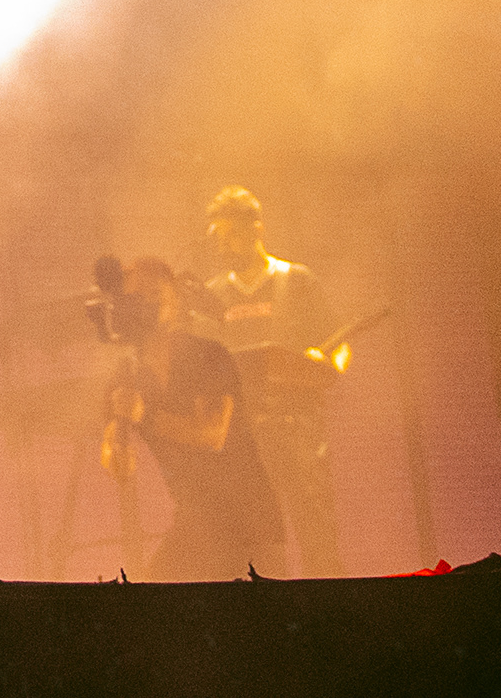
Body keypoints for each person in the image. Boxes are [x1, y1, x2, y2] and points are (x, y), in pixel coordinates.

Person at [93, 254, 288, 580]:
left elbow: (212, 434)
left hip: (250, 523)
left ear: (173, 303)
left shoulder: (207, 355)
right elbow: (119, 463)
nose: (144, 304)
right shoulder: (125, 375)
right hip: (197, 521)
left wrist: (144, 415)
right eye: (135, 297)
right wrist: (117, 448)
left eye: (153, 294)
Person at [198, 186, 345, 576]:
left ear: (256, 228)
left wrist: (326, 365)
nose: (224, 245)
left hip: (299, 433)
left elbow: (340, 344)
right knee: (259, 544)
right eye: (218, 237)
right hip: (244, 438)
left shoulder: (297, 280)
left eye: (231, 234)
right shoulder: (213, 296)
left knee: (317, 534)